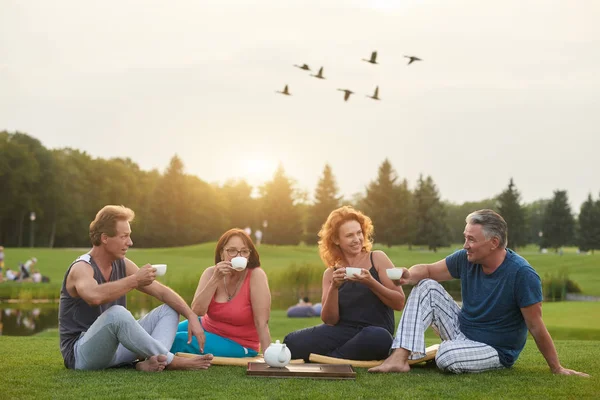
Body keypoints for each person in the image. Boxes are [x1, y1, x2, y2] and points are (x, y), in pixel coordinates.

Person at [369, 209, 589, 377]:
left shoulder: (522, 274)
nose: (465, 245)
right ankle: (399, 357)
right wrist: (409, 275)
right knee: (426, 286)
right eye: (465, 237)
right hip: (462, 330)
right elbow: (428, 270)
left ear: (494, 243)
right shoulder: (466, 259)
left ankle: (440, 351)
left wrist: (557, 368)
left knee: (446, 356)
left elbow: (536, 326)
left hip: (495, 349)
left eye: (471, 239)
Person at [59, 205, 213, 372]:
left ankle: (154, 360)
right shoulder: (82, 268)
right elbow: (94, 296)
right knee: (117, 314)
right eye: (124, 236)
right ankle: (169, 360)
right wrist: (135, 280)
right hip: (81, 354)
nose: (130, 242)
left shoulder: (122, 264)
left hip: (115, 349)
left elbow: (161, 292)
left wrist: (190, 315)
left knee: (169, 309)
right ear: (104, 238)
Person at [284, 206, 405, 362]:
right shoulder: (330, 274)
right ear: (336, 240)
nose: (357, 239)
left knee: (379, 338)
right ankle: (340, 356)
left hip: (374, 331)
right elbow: (330, 320)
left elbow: (399, 302)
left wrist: (371, 282)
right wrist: (334, 287)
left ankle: (331, 358)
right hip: (342, 332)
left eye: (359, 233)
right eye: (349, 235)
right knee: (291, 342)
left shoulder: (378, 258)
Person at [170, 228, 272, 358]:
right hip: (207, 326)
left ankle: (147, 359)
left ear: (249, 255)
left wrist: (269, 357)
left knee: (179, 340)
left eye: (244, 252)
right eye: (232, 251)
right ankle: (140, 356)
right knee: (164, 331)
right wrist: (215, 279)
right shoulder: (210, 273)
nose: (238, 256)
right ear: (221, 253)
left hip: (238, 343)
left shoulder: (256, 275)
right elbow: (197, 311)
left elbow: (262, 322)